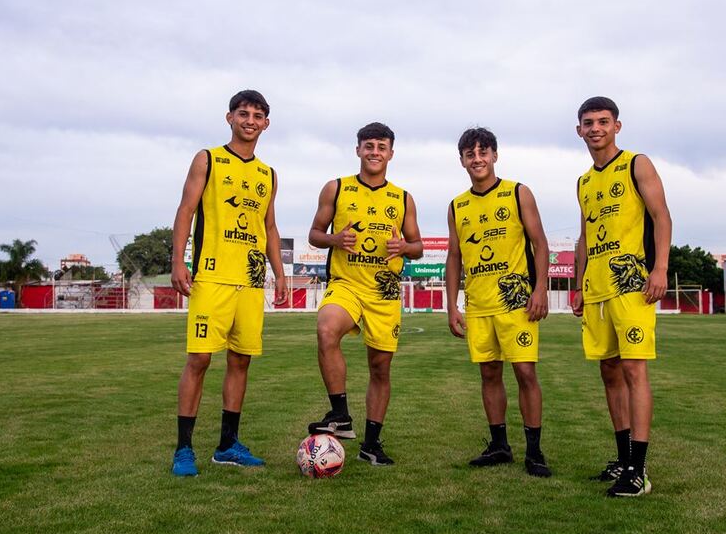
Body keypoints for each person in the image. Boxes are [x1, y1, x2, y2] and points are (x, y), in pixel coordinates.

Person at [169, 89, 287, 477]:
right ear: (230, 118)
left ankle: (227, 445)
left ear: (266, 123)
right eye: (243, 113)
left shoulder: (267, 174)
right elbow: (187, 210)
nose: (250, 120)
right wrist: (179, 260)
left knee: (241, 360)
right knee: (200, 359)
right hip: (212, 276)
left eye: (257, 115)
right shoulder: (208, 159)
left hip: (251, 280)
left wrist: (280, 273)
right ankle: (184, 449)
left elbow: (269, 227)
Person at [571, 96, 671, 497]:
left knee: (634, 371)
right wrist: (578, 283)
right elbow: (583, 237)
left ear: (617, 126)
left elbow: (662, 215)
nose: (596, 128)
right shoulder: (584, 181)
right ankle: (624, 459)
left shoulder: (636, 164)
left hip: (632, 285)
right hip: (597, 289)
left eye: (603, 121)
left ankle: (640, 471)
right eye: (588, 123)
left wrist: (660, 268)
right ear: (579, 130)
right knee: (609, 372)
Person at [306, 122, 423, 465]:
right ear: (358, 149)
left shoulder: (402, 198)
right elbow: (315, 233)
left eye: (381, 146)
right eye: (368, 145)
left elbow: (416, 246)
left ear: (390, 153)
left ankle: (371, 444)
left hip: (384, 292)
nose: (375, 152)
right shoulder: (336, 188)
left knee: (380, 368)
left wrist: (404, 245)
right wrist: (334, 240)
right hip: (347, 284)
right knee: (326, 329)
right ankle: (340, 415)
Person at [445, 127, 552, 478]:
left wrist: (540, 290)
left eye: (483, 152)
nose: (477, 159)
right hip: (479, 304)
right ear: (462, 160)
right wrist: (452, 304)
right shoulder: (457, 205)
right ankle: (499, 445)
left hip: (516, 302)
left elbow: (540, 243)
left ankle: (534, 451)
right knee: (489, 374)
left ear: (494, 155)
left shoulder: (518, 193)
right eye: (470, 154)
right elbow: (454, 258)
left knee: (524, 372)